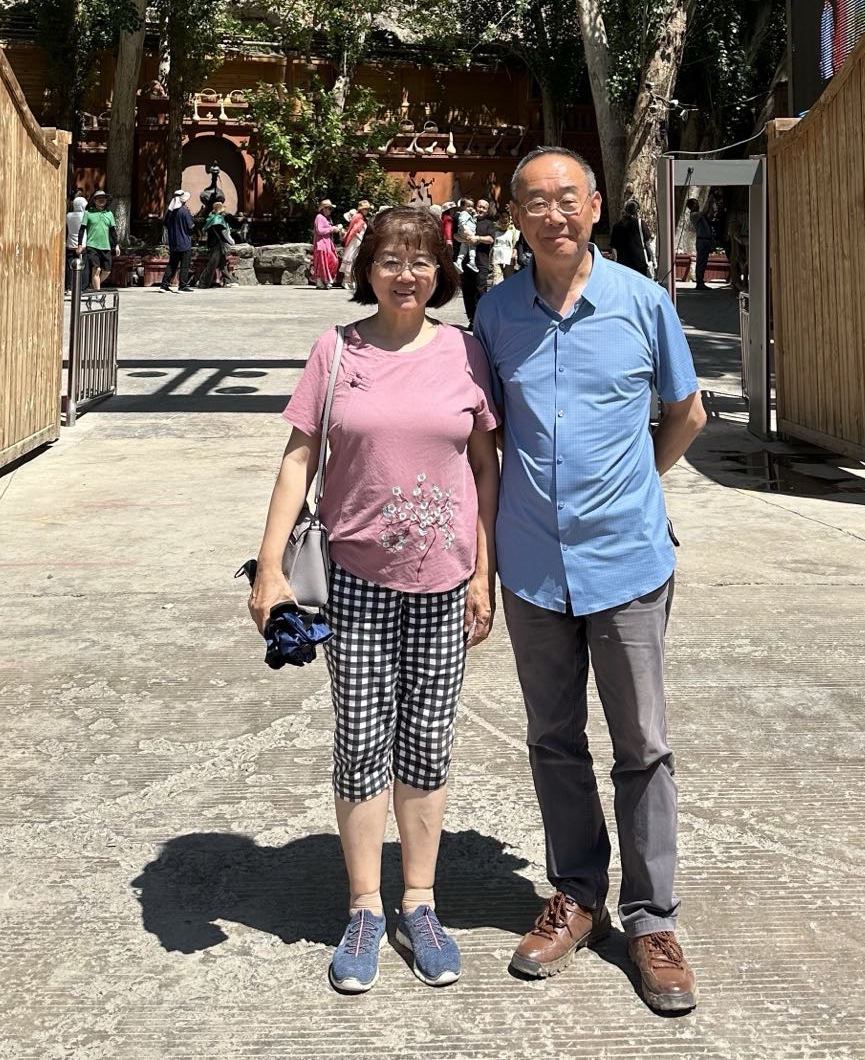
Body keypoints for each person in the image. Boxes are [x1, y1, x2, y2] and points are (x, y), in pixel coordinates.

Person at [473, 146, 707, 1015]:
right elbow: (487, 434)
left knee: (642, 745)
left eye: (566, 198)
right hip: (533, 563)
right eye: (534, 202)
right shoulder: (495, 313)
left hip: (627, 563)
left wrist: (635, 483)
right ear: (515, 216)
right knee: (553, 738)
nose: (553, 215)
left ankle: (651, 920)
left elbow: (686, 412)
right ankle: (576, 894)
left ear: (596, 205)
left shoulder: (643, 303)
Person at [248, 207, 500, 995]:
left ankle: (419, 902)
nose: (405, 274)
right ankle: (362, 906)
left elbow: (485, 467)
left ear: (440, 273)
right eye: (389, 260)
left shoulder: (465, 351)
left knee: (426, 742)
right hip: (354, 582)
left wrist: (483, 573)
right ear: (366, 271)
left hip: (443, 584)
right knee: (360, 741)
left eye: (421, 261)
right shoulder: (336, 350)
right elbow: (299, 458)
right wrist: (268, 566)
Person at [458, 198, 495, 328]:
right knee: (467, 289)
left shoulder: (489, 224)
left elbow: (491, 239)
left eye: (484, 208)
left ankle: (482, 318)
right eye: (479, 206)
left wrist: (477, 238)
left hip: (481, 262)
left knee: (480, 289)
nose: (481, 209)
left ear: (487, 211)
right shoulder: (466, 219)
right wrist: (465, 239)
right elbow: (456, 235)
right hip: (466, 261)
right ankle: (472, 319)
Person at [80, 190, 119, 291]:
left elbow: (112, 231)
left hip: (106, 246)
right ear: (94, 200)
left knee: (107, 271)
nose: (101, 200)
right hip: (92, 245)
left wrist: (117, 245)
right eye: (99, 198)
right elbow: (82, 229)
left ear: (106, 200)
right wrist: (80, 244)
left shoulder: (109, 214)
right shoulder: (88, 213)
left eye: (103, 198)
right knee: (96, 269)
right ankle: (97, 293)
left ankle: (94, 284)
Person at [609, 197, 654, 278]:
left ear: (625, 210)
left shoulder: (617, 225)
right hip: (640, 263)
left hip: (623, 263)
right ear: (637, 211)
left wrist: (615, 262)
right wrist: (653, 258)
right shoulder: (640, 223)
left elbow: (613, 247)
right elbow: (648, 243)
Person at [161, 190, 195, 292]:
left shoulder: (170, 212)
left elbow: (165, 224)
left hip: (173, 242)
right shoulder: (184, 212)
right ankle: (183, 285)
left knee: (172, 264)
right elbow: (191, 227)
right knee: (184, 265)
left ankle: (164, 284)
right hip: (184, 242)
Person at [200, 198, 235, 288]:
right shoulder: (219, 220)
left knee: (222, 264)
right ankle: (203, 283)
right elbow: (224, 232)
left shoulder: (210, 219)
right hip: (218, 245)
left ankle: (229, 281)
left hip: (212, 243)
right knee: (212, 264)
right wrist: (231, 241)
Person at [339, 200, 371, 291]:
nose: (367, 211)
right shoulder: (358, 217)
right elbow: (354, 231)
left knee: (354, 261)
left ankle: (350, 281)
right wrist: (361, 239)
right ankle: (346, 281)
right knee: (351, 260)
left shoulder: (361, 218)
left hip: (358, 242)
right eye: (365, 209)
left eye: (367, 209)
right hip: (355, 242)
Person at [312, 198, 340, 289]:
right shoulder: (319, 217)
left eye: (330, 208)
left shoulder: (327, 218)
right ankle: (322, 282)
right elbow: (320, 230)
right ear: (323, 209)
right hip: (321, 244)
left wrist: (334, 229)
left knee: (333, 261)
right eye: (328, 208)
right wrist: (332, 229)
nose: (330, 210)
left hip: (327, 244)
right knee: (322, 264)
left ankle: (326, 280)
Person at [64, 194, 87, 293]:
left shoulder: (68, 215)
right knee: (83, 267)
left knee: (70, 267)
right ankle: (82, 287)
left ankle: (69, 287)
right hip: (82, 244)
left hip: (70, 244)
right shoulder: (85, 215)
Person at [490, 209, 521, 283]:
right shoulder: (494, 230)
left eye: (506, 222)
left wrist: (514, 253)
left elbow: (515, 244)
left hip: (508, 258)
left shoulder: (513, 231)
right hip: (496, 258)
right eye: (502, 221)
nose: (504, 224)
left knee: (509, 280)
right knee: (497, 280)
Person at [693, 202, 716, 290]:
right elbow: (705, 211)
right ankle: (699, 282)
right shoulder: (694, 215)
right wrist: (709, 200)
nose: (698, 205)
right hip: (701, 240)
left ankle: (701, 281)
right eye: (695, 204)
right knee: (701, 261)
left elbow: (709, 215)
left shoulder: (700, 215)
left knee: (704, 261)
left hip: (706, 240)